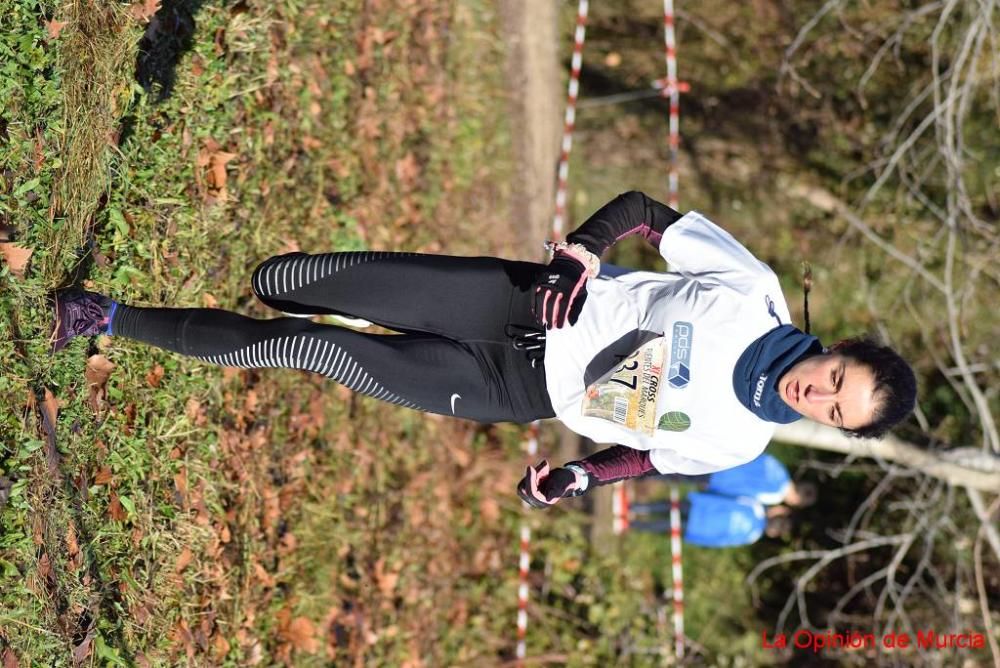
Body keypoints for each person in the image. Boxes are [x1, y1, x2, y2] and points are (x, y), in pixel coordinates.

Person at [51, 192, 916, 505]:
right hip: (511, 302)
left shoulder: (739, 442)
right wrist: (586, 247)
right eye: (836, 378)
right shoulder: (755, 292)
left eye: (836, 412)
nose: (819, 396)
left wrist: (578, 477)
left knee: (307, 350)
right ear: (837, 349)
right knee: (286, 278)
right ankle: (259, 289)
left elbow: (650, 460)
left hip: (510, 390)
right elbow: (648, 211)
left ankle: (103, 317)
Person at [645, 452, 818, 507]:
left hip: (724, 461)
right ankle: (640, 473)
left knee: (677, 461)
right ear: (796, 500)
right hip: (720, 478)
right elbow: (743, 495)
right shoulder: (775, 494)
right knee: (674, 472)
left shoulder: (778, 468)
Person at [628, 492, 792, 547]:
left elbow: (727, 500)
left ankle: (635, 508)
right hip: (702, 527)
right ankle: (634, 524)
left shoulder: (755, 506)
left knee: (670, 507)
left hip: (704, 508)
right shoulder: (753, 536)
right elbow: (724, 541)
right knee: (668, 524)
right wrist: (700, 539)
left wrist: (702, 497)